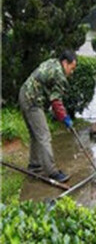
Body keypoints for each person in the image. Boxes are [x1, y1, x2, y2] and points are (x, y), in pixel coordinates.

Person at [18, 50, 77, 183]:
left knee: (36, 135)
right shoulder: (59, 75)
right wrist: (65, 118)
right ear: (65, 63)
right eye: (71, 68)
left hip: (24, 95)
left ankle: (35, 166)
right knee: (44, 136)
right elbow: (56, 101)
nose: (71, 72)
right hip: (32, 101)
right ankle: (52, 172)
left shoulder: (53, 63)